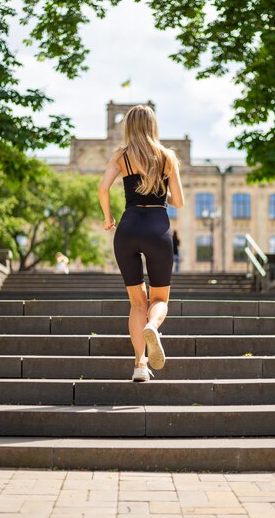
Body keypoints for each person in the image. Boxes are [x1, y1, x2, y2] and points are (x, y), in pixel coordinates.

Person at [98, 104, 184, 382]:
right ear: (152, 125)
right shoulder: (166, 157)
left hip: (128, 227)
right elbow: (179, 202)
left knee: (137, 302)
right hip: (157, 228)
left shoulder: (120, 156)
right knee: (159, 299)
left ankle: (139, 365)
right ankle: (152, 326)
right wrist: (163, 193)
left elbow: (102, 188)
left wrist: (108, 218)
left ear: (128, 126)